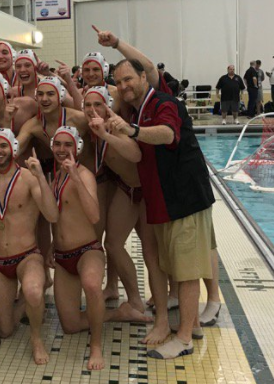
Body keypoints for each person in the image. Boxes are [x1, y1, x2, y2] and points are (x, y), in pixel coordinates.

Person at [111, 58, 216, 359]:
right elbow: (137, 152)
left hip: (184, 200)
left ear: (144, 77)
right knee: (176, 268)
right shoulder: (140, 111)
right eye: (119, 82)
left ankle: (183, 339)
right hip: (166, 201)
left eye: (128, 79)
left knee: (185, 273)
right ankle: (189, 325)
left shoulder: (164, 103)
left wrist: (131, 131)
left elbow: (168, 134)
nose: (123, 86)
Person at [47, 127, 151, 370]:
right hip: (63, 256)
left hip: (87, 250)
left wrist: (74, 176)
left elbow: (94, 215)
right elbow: (60, 217)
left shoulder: (83, 175)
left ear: (77, 149)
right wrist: (53, 243)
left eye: (68, 145)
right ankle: (119, 314)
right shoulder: (54, 178)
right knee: (70, 326)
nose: (62, 150)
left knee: (93, 285)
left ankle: (96, 347)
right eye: (58, 145)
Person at [84, 87, 171, 344]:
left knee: (151, 252)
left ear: (108, 106)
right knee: (112, 244)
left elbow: (135, 154)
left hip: (146, 194)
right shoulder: (86, 128)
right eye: (87, 105)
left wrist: (106, 135)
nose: (92, 110)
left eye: (97, 104)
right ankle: (134, 299)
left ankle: (163, 311)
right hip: (125, 190)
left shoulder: (117, 125)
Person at [0, 128, 59, 365]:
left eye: (3, 146)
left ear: (14, 150)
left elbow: (51, 214)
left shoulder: (28, 178)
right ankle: (29, 305)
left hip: (27, 256)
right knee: (5, 330)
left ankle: (36, 339)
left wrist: (40, 177)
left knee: (32, 290)